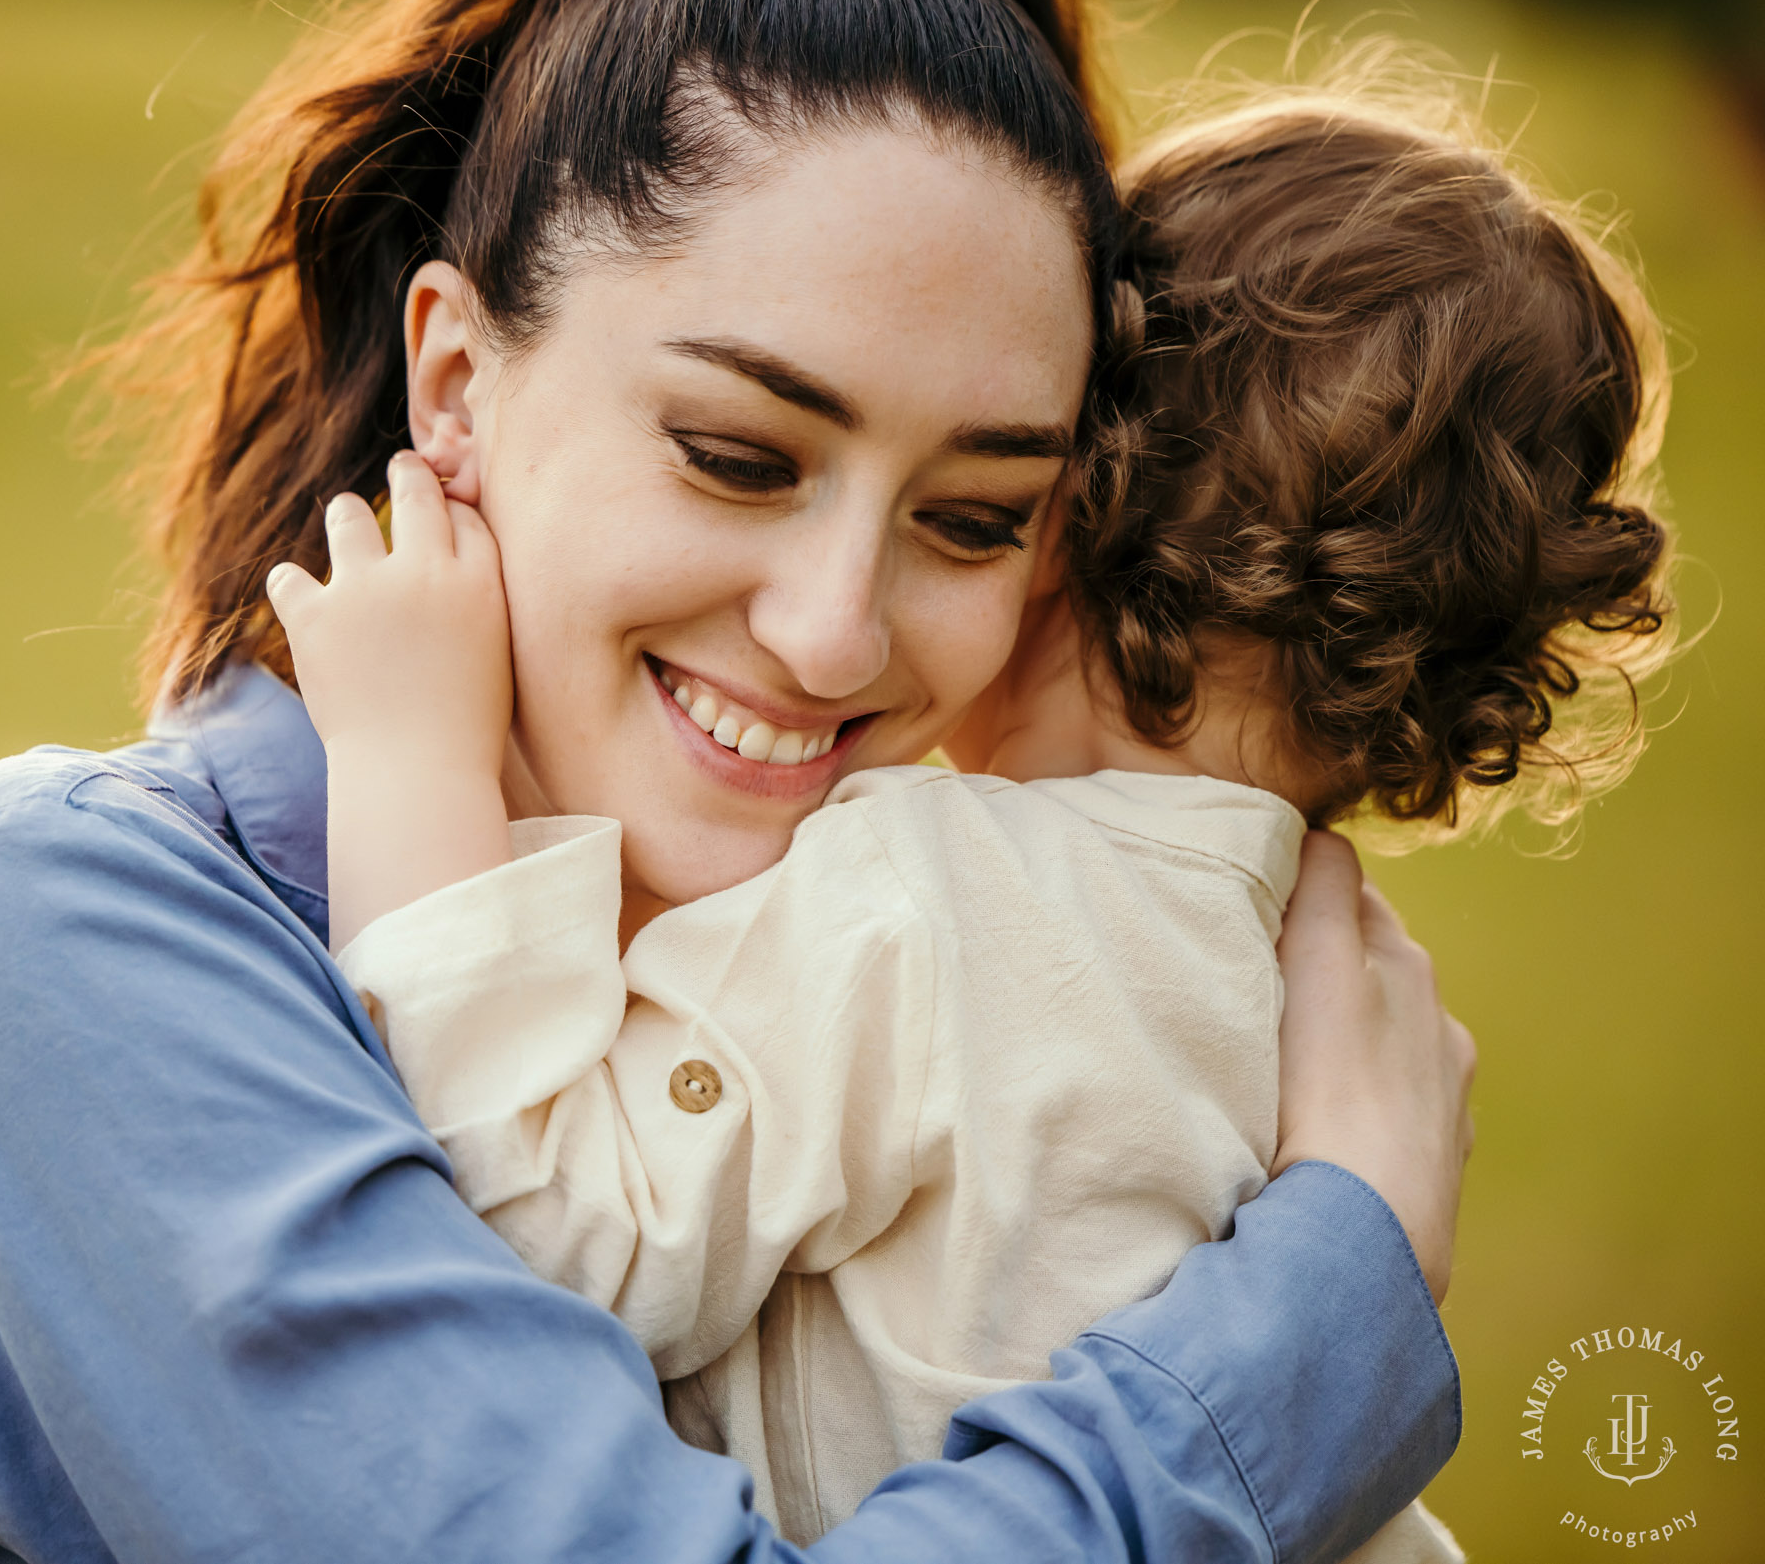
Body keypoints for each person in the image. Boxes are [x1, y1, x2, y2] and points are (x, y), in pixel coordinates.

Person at [0, 0, 1477, 1558]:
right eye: (737, 454)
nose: (832, 635)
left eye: (972, 518)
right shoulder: (46, 934)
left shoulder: (961, 981)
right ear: (454, 380)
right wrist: (1325, 1293)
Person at [294, 91, 1672, 1553]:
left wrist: (410, 758)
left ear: (1072, 511)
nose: (846, 627)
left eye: (968, 511)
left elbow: (554, 1244)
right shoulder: (1312, 996)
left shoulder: (923, 900)